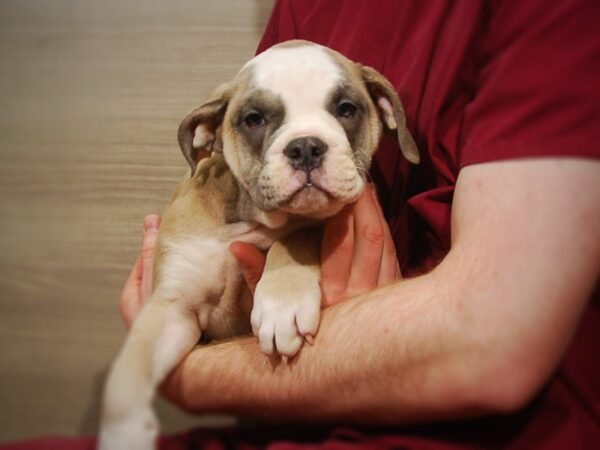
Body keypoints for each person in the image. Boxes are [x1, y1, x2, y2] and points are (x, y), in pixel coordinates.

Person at [3, 1, 598, 449]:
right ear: (206, 137)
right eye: (260, 120)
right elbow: (177, 307)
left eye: (344, 110)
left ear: (387, 113)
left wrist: (194, 375)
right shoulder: (298, 13)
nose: (306, 146)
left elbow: (488, 343)